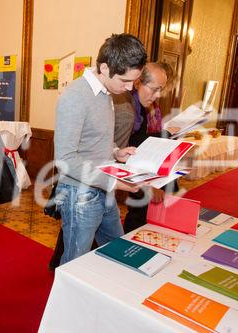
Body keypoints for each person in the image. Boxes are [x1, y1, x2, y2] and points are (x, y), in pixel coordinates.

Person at [54, 33, 147, 265]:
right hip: (79, 195)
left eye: (132, 82)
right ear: (104, 68)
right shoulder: (75, 96)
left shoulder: (107, 92)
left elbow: (93, 138)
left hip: (102, 189)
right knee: (74, 263)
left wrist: (116, 151)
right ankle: (67, 301)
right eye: (124, 81)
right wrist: (114, 182)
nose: (128, 88)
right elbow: (65, 159)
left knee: (116, 250)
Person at [113, 62, 176, 233]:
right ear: (138, 82)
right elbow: (126, 145)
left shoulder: (143, 105)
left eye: (161, 89)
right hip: (116, 173)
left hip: (132, 170)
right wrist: (147, 184)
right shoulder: (125, 108)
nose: (158, 95)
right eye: (154, 89)